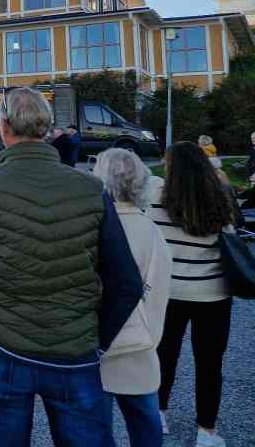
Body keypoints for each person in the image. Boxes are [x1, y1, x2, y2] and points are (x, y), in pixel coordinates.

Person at [0, 86, 143, 447]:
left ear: (4, 127)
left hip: (4, 345)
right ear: (47, 129)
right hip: (74, 347)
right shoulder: (91, 187)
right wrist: (98, 339)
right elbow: (126, 281)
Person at [151, 141, 237, 446]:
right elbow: (230, 242)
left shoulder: (157, 202)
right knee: (210, 363)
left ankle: (157, 414)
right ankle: (206, 431)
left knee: (164, 355)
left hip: (170, 291)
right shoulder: (221, 201)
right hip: (213, 293)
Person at [90, 148, 172, 447]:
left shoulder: (92, 227)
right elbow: (161, 289)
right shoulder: (151, 230)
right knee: (144, 422)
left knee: (96, 428)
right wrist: (151, 334)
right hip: (139, 343)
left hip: (95, 344)